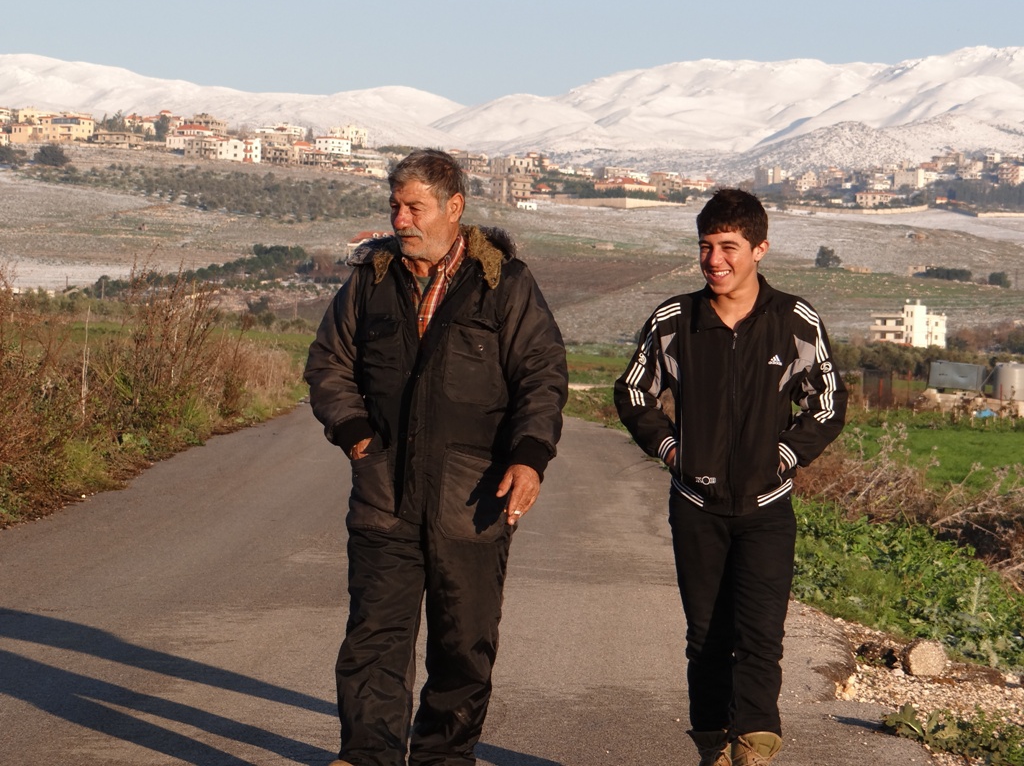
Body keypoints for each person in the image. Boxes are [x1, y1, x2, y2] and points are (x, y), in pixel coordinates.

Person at [305, 148, 568, 766]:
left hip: (472, 500)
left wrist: (528, 458)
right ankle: (367, 754)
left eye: (414, 206)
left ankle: (443, 758)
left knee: (463, 645)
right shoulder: (369, 281)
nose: (400, 219)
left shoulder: (505, 284)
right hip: (384, 497)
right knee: (374, 639)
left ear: (454, 208)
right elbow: (329, 364)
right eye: (395, 206)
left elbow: (542, 377)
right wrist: (353, 430)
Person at [613, 189, 847, 766]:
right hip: (696, 505)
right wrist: (670, 449)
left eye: (728, 247)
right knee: (707, 640)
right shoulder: (676, 320)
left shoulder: (793, 320)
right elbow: (633, 391)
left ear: (759, 249)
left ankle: (754, 751)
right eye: (705, 247)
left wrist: (784, 457)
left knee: (762, 637)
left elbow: (828, 402)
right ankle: (713, 747)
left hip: (768, 508)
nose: (714, 260)